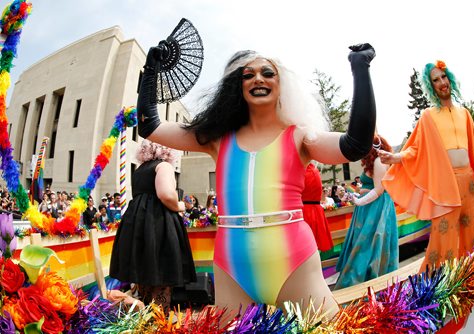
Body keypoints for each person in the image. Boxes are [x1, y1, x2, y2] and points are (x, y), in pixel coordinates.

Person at [137, 41, 376, 315]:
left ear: (281, 83)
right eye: (247, 75)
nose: (257, 79)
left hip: (293, 263)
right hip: (232, 267)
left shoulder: (300, 135)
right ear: (236, 87)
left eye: (267, 73)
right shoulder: (216, 138)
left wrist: (360, 68)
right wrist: (151, 72)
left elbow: (356, 144)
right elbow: (150, 125)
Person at [379, 60, 474, 271]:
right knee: (444, 240)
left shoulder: (465, 114)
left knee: (473, 236)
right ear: (431, 86)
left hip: (470, 183)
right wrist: (395, 158)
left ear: (449, 79)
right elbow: (415, 148)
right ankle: (436, 288)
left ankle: (472, 284)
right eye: (436, 80)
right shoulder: (428, 116)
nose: (442, 82)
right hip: (445, 185)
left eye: (443, 77)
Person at [110, 139, 196, 311]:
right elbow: (165, 194)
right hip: (157, 223)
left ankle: (146, 319)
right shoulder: (163, 166)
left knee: (145, 273)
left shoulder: (140, 170)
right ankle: (159, 321)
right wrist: (180, 205)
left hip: (137, 223)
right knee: (162, 274)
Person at [335, 135, 398, 289]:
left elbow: (378, 190)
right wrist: (356, 194)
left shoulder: (379, 162)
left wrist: (358, 200)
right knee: (364, 243)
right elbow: (372, 187)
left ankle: (365, 282)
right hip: (368, 208)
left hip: (376, 209)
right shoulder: (375, 162)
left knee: (368, 244)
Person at [302, 163, 334, 251]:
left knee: (308, 246)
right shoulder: (312, 170)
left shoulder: (306, 171)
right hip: (313, 209)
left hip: (307, 212)